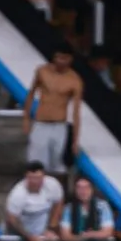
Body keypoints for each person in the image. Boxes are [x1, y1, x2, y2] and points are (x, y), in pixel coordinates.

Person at [22, 45, 83, 180]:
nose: (60, 61)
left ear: (70, 59)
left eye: (64, 58)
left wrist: (75, 140)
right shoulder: (42, 71)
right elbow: (31, 94)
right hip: (40, 123)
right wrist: (26, 118)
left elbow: (76, 112)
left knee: (57, 165)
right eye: (58, 57)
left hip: (59, 125)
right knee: (35, 163)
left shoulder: (75, 80)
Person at [4, 161, 64, 241]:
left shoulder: (52, 185)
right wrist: (29, 237)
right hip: (21, 235)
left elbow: (58, 202)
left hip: (43, 235)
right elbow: (12, 219)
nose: (35, 182)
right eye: (32, 178)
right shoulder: (17, 194)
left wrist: (52, 226)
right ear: (26, 177)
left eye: (38, 178)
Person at [59, 177, 114, 241]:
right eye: (79, 188)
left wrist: (90, 235)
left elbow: (107, 232)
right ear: (75, 190)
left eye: (86, 187)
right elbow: (65, 235)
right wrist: (81, 238)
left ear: (92, 189)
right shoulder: (68, 208)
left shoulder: (102, 206)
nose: (83, 191)